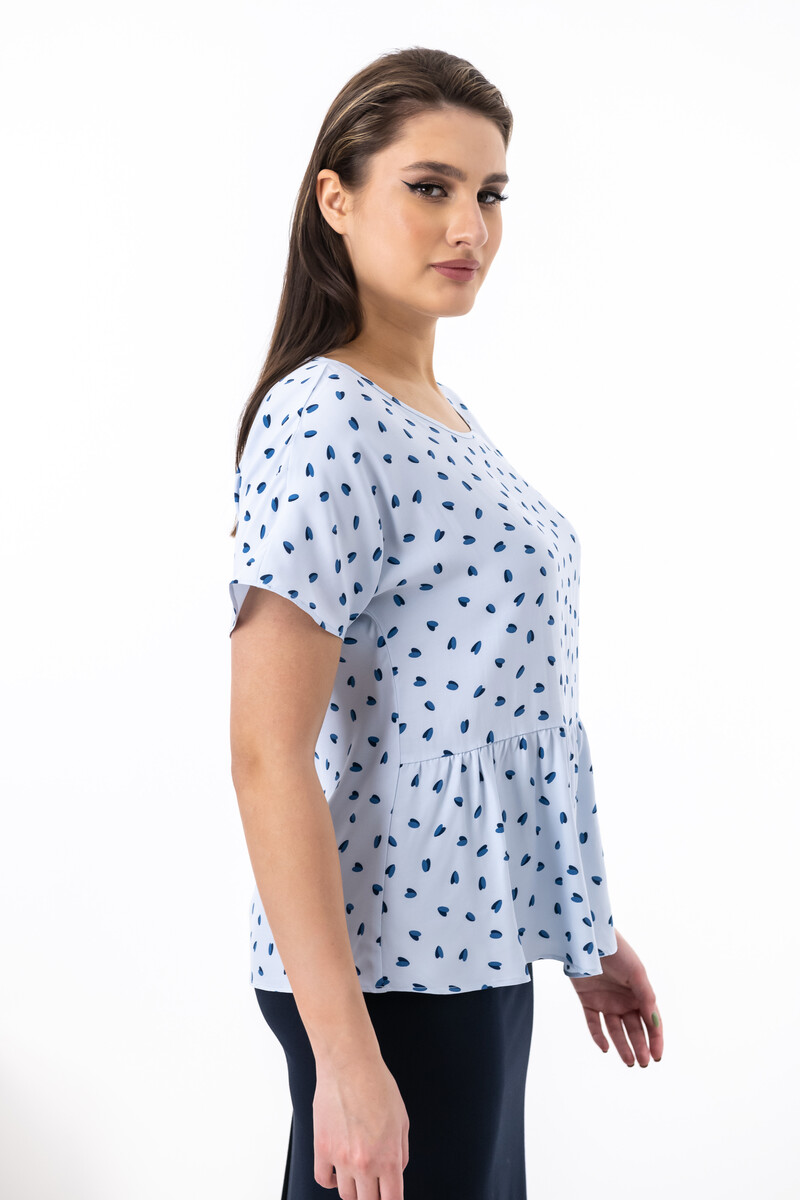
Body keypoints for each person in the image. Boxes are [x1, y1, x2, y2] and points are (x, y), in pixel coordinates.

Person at [229, 45, 663, 1200]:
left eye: (489, 192)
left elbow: (488, 711)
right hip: (386, 977)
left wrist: (579, 927)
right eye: (429, 187)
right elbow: (267, 754)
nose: (468, 225)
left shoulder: (437, 412)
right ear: (335, 198)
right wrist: (346, 1060)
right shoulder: (326, 416)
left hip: (470, 943)